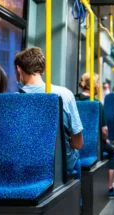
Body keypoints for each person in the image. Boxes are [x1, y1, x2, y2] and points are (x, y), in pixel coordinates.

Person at [14, 47, 84, 177]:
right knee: (76, 157)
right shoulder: (65, 95)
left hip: (22, 167)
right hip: (58, 166)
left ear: (19, 69)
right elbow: (78, 143)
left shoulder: (12, 100)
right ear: (42, 70)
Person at [75, 73, 114, 198]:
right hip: (92, 145)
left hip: (74, 144)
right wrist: (105, 140)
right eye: (98, 83)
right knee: (112, 152)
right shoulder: (96, 104)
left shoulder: (74, 100)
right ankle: (110, 187)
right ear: (94, 86)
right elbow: (104, 131)